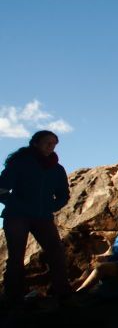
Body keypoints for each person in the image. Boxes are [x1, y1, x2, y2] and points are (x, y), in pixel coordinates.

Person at [0, 130, 70, 304]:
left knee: (56, 252)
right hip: (17, 216)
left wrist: (51, 207)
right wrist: (18, 205)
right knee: (16, 257)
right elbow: (1, 190)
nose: (51, 146)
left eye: (54, 144)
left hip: (43, 217)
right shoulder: (20, 163)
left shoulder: (56, 169)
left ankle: (63, 294)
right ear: (35, 143)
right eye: (47, 142)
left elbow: (63, 195)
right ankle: (13, 299)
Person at [74, 202, 118, 292]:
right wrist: (104, 257)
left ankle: (80, 293)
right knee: (88, 271)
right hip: (117, 260)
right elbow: (115, 249)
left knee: (101, 269)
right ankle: (70, 291)